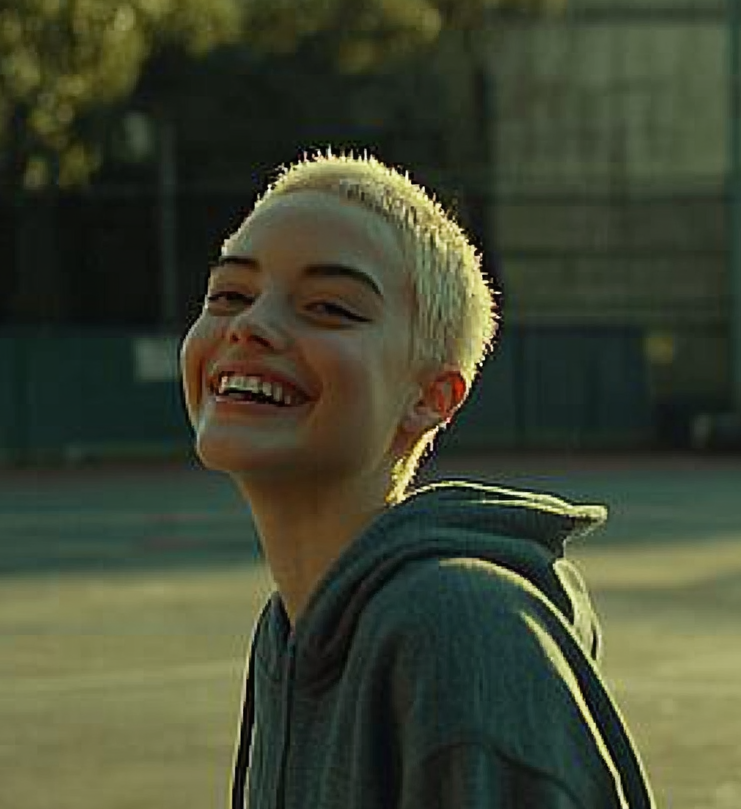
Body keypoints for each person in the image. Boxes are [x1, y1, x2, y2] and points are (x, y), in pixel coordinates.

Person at [179, 150, 656, 808]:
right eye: (230, 295)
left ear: (433, 397)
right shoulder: (288, 630)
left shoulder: (461, 628)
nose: (250, 325)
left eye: (328, 307)